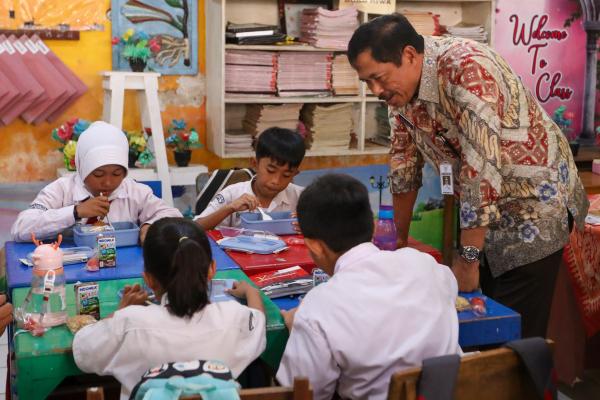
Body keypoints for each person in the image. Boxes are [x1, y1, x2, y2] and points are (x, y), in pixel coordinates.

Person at [347, 13, 589, 338]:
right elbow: (404, 164)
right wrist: (396, 244)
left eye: (378, 78)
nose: (375, 90)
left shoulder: (467, 67)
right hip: (483, 214)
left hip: (534, 209)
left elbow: (481, 168)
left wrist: (468, 260)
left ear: (408, 55)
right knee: (477, 318)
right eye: (367, 83)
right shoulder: (399, 91)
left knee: (512, 338)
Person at [276, 174, 461, 400]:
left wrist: (298, 325)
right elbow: (448, 290)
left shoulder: (318, 308)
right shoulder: (426, 265)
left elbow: (306, 393)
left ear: (314, 245)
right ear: (372, 226)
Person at [72, 218, 266, 399]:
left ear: (147, 278)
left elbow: (83, 350)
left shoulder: (129, 322)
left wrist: (120, 312)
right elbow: (258, 320)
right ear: (211, 269)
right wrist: (251, 291)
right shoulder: (233, 317)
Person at [10, 121, 182, 244]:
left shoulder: (133, 190)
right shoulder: (61, 190)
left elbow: (172, 215)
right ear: (82, 167)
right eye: (98, 174)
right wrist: (75, 212)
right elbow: (21, 228)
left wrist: (149, 225)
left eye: (116, 173)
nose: (108, 182)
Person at [195, 127, 305, 230]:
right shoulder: (232, 194)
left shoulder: (302, 197)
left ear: (295, 174)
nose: (276, 181)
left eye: (286, 175)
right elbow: (194, 228)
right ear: (254, 164)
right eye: (270, 171)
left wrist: (309, 228)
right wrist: (229, 209)